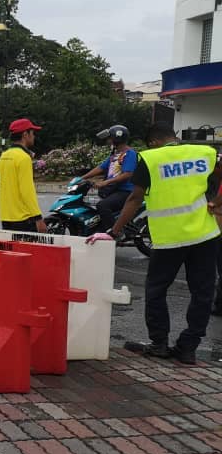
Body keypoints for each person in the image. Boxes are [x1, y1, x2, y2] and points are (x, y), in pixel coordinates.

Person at [91, 123, 221, 365]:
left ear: (152, 142)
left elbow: (135, 197)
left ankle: (159, 343)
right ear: (174, 138)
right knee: (202, 293)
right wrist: (215, 201)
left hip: (169, 239)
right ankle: (188, 347)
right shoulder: (203, 152)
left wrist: (115, 231)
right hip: (205, 235)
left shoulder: (150, 159)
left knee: (156, 290)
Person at [79, 125, 137, 232]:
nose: (108, 141)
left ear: (117, 138)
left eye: (109, 138)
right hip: (114, 190)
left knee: (102, 206)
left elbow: (127, 174)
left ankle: (114, 233)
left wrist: (106, 182)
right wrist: (81, 178)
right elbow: (101, 168)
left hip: (125, 191)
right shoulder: (115, 155)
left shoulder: (130, 154)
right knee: (93, 204)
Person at [0, 118, 47, 233]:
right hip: (23, 218)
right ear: (25, 134)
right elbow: (27, 190)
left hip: (6, 216)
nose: (33, 136)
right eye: (32, 133)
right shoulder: (23, 158)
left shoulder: (4, 156)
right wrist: (38, 218)